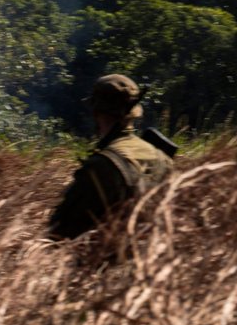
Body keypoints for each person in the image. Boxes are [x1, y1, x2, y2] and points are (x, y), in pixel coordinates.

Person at [48, 74, 174, 240]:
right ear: (134, 113)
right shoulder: (161, 157)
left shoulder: (103, 165)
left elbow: (60, 231)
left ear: (96, 112)